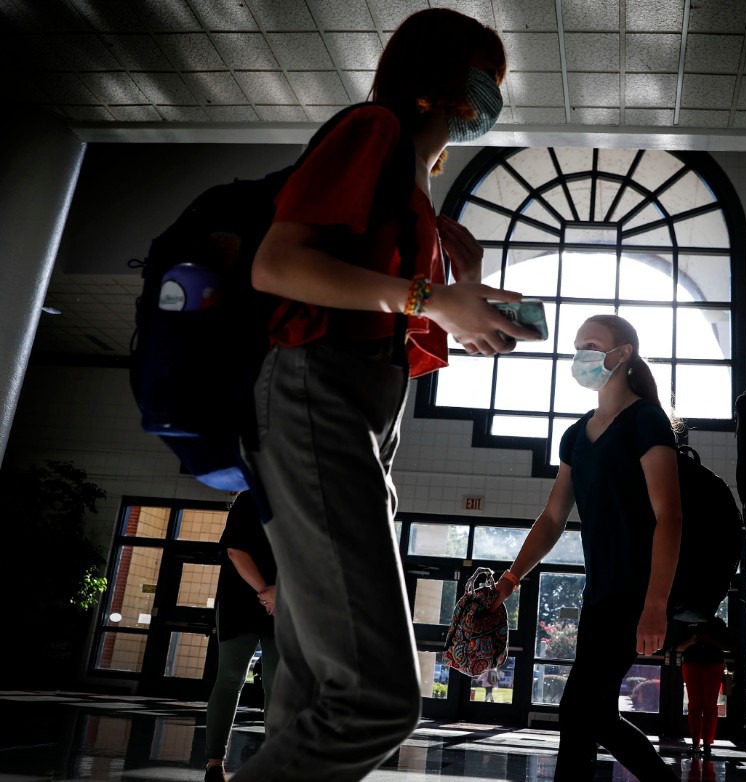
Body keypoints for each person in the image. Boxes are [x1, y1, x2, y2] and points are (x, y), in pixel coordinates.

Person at [235, 9, 536, 782]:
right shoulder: (373, 130)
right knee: (375, 698)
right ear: (438, 82)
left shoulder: (415, 188)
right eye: (484, 77)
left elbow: (400, 307)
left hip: (362, 410)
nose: (490, 97)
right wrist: (427, 300)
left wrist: (454, 297)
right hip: (317, 391)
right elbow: (276, 266)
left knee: (312, 691)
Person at [490, 314, 683, 782]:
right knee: (593, 715)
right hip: (600, 594)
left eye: (592, 345)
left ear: (623, 354)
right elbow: (554, 517)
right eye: (578, 346)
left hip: (637, 592)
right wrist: (511, 578)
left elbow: (670, 516)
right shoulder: (577, 434)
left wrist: (655, 605)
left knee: (578, 712)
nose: (582, 356)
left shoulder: (646, 420)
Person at [204, 491, 279, 782]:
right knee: (277, 687)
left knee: (229, 679)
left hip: (246, 601)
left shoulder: (250, 498)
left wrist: (269, 592)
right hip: (274, 603)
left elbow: (236, 550)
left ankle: (214, 764)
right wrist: (273, 593)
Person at [675, 617, 730, 757]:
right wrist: (692, 641)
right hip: (694, 664)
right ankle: (697, 743)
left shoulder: (717, 623)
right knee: (696, 705)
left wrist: (708, 640)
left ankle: (704, 743)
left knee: (709, 705)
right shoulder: (686, 622)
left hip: (712, 664)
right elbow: (677, 647)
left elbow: (728, 646)